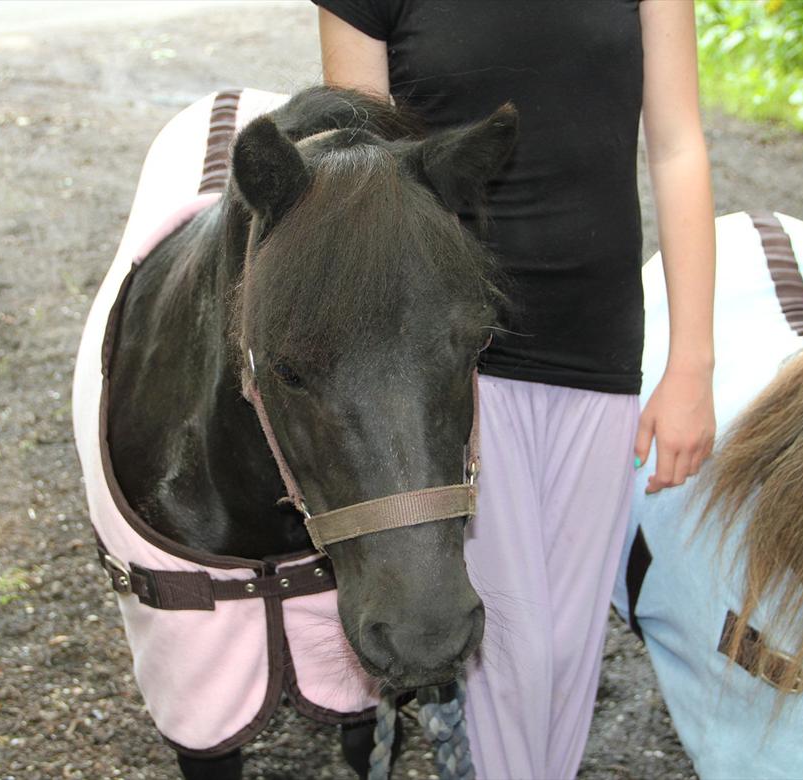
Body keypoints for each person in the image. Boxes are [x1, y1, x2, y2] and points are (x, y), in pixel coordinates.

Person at [313, 1, 716, 777]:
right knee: (512, 656)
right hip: (447, 366)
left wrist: (691, 364)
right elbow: (361, 177)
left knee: (568, 651)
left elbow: (676, 146)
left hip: (598, 346)